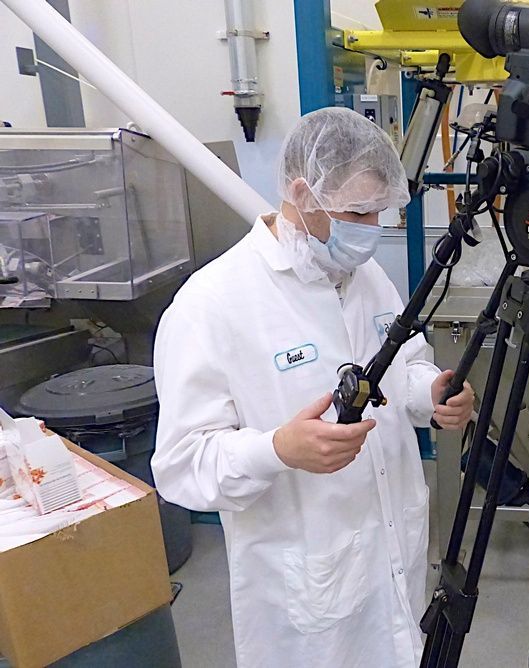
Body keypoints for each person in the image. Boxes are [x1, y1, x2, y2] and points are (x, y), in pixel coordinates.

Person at [151, 107, 474, 668]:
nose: (370, 230)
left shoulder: (365, 278)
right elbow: (182, 465)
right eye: (355, 211)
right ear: (303, 193)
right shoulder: (211, 305)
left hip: (391, 556)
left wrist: (431, 393)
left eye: (379, 212)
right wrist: (277, 449)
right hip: (306, 594)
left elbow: (402, 367)